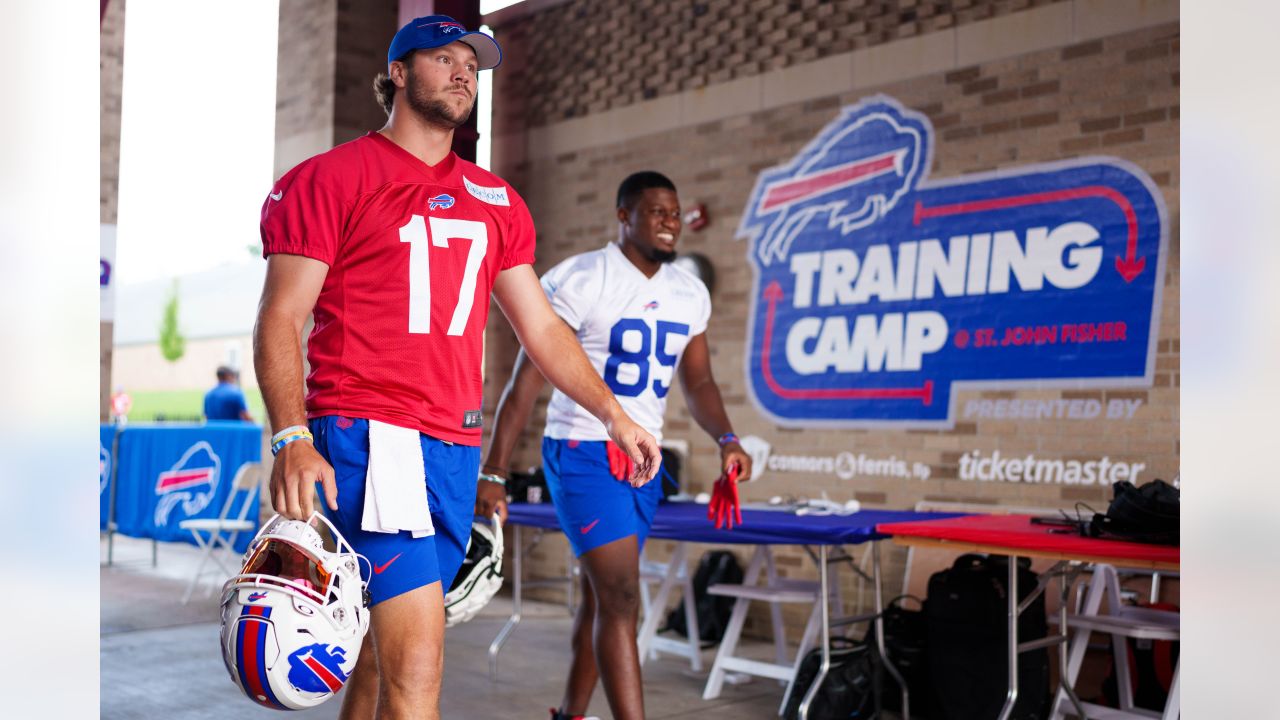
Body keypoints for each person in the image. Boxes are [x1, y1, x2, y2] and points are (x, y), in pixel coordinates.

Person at [252, 16, 662, 720]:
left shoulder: (496, 201)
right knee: (420, 670)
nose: (463, 71)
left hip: (451, 448)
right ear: (399, 74)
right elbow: (281, 318)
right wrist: (291, 436)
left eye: (471, 62)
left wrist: (613, 414)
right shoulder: (329, 179)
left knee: (383, 657)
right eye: (443, 58)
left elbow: (542, 329)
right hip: (375, 436)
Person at [477, 171, 753, 720]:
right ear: (623, 216)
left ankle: (569, 715)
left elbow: (698, 383)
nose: (670, 222)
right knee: (624, 597)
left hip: (642, 461)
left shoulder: (689, 291)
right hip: (581, 450)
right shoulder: (582, 278)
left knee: (606, 598)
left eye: (674, 212)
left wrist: (726, 437)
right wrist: (495, 471)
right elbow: (524, 384)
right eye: (655, 211)